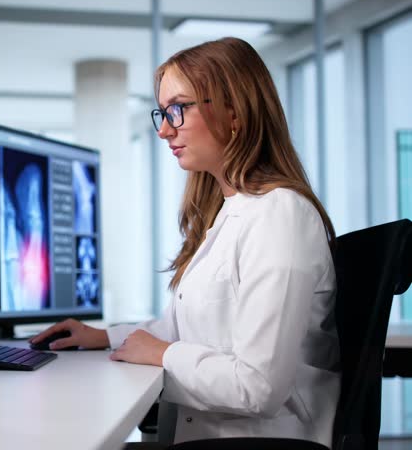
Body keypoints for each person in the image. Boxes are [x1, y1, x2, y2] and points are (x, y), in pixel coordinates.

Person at [30, 37, 339, 447]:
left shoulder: (280, 216)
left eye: (178, 109)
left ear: (235, 110)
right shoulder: (232, 214)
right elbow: (184, 329)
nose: (163, 129)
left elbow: (258, 386)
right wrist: (105, 336)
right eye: (162, 112)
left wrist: (161, 354)